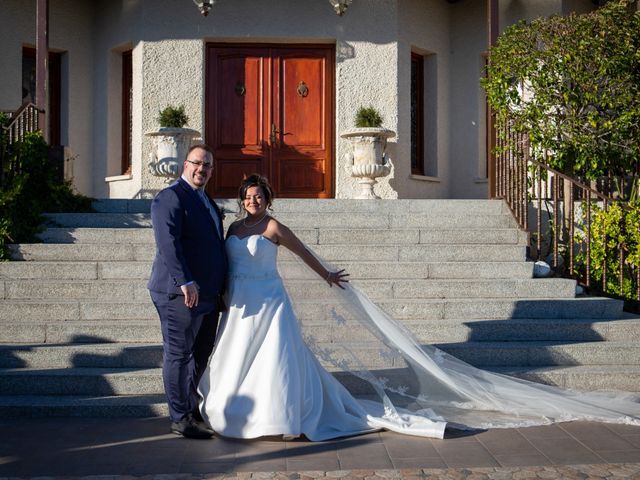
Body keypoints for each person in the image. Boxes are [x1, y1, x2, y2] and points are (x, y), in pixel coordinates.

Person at [199, 174, 640, 441]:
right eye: (248, 196)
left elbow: (304, 255)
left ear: (268, 199)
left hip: (272, 303)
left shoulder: (275, 226)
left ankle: (284, 416)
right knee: (237, 358)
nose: (252, 201)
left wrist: (329, 276)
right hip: (239, 305)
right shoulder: (233, 226)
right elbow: (224, 264)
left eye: (258, 196)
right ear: (242, 199)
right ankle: (235, 413)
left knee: (278, 362)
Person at [148, 144, 227, 439]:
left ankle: (192, 409)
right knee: (179, 354)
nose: (202, 170)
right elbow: (168, 242)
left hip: (208, 295)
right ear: (185, 164)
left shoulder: (205, 199)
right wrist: (184, 281)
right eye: (197, 163)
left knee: (201, 354)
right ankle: (179, 417)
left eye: (207, 166)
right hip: (179, 293)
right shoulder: (170, 197)